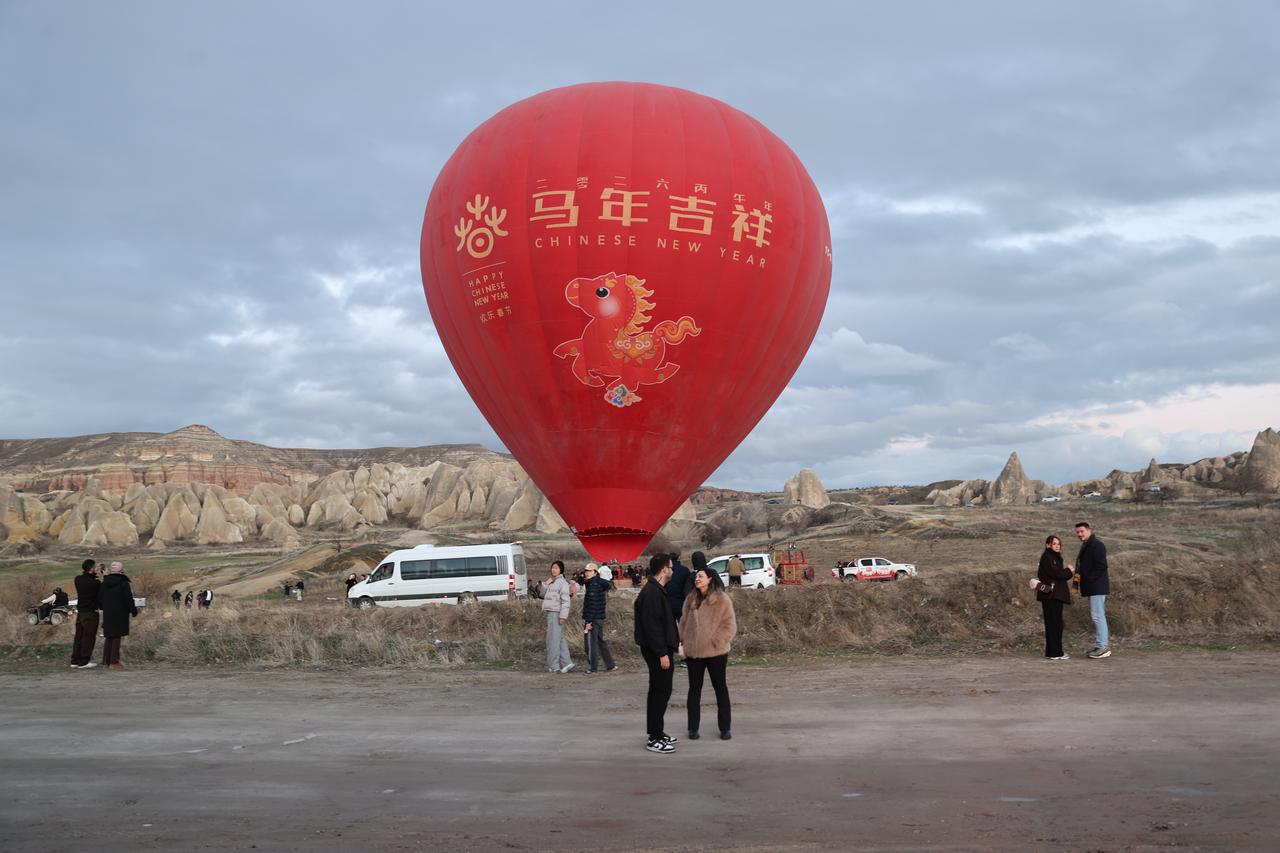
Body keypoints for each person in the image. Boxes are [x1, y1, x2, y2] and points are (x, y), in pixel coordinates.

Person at [680, 553, 737, 740]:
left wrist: (717, 642)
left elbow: (729, 625)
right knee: (694, 690)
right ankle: (692, 728)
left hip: (716, 652)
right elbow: (683, 622)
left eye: (701, 576)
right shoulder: (690, 600)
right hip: (694, 652)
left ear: (710, 579)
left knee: (720, 688)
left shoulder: (722, 599)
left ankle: (725, 727)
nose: (697, 578)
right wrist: (683, 643)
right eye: (696, 576)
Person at [634, 554, 679, 754]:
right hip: (657, 651)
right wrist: (662, 653)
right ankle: (655, 738)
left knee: (659, 691)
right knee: (661, 691)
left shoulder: (656, 590)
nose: (673, 570)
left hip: (660, 648)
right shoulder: (652, 593)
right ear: (663, 570)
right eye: (670, 567)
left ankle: (657, 731)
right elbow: (652, 627)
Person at [1074, 521, 1110, 658]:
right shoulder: (1087, 545)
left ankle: (1103, 647)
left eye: (1082, 531)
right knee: (1097, 615)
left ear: (1089, 530)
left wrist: (1089, 579)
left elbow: (1102, 566)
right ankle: (1101, 645)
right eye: (1077, 532)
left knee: (1098, 616)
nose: (1079, 534)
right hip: (1093, 586)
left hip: (1097, 586)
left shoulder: (1096, 545)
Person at [1036, 535, 1073, 660]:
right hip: (1051, 596)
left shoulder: (1053, 557)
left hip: (1053, 596)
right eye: (1054, 544)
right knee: (1054, 624)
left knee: (1055, 624)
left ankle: (1053, 652)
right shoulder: (1048, 557)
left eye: (1059, 544)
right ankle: (1055, 653)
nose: (1057, 546)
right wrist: (1069, 571)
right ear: (1048, 545)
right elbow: (1057, 574)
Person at [99, 562, 138, 669]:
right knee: (117, 636)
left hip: (108, 613)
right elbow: (128, 599)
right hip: (120, 612)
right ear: (121, 570)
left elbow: (100, 598)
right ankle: (114, 662)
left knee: (109, 636)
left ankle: (106, 662)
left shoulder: (104, 583)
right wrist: (133, 610)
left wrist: (105, 608)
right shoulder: (123, 582)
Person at [580, 563, 617, 674]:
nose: (586, 573)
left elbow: (593, 604)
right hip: (599, 617)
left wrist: (589, 621)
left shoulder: (594, 585)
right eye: (586, 571)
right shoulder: (595, 583)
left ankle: (593, 667)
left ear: (596, 572)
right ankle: (610, 665)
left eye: (589, 571)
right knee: (600, 641)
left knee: (591, 643)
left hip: (593, 618)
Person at [541, 561, 575, 673]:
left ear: (561, 570)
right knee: (560, 639)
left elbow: (566, 601)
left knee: (553, 640)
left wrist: (563, 617)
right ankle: (567, 663)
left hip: (556, 614)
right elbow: (541, 594)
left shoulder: (562, 583)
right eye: (552, 568)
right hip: (551, 613)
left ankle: (554, 666)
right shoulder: (552, 582)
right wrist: (546, 584)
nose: (553, 570)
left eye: (556, 568)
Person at [70, 559, 102, 668]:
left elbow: (89, 581)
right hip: (91, 613)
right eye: (95, 568)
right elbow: (101, 588)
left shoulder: (77, 579)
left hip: (81, 612)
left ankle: (74, 661)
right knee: (89, 637)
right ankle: (84, 662)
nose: (96, 569)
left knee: (79, 637)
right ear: (91, 569)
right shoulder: (95, 583)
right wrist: (104, 575)